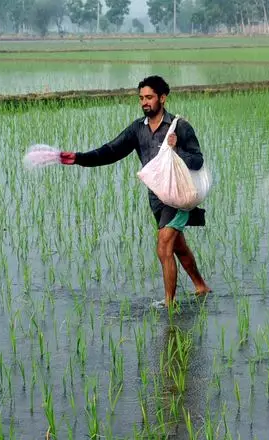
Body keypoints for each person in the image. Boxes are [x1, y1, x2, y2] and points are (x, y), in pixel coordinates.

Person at [59, 75, 211, 307]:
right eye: (141, 98)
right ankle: (201, 286)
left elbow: (198, 161)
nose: (144, 102)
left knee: (163, 245)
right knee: (177, 246)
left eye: (149, 97)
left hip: (179, 197)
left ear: (163, 98)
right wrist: (79, 158)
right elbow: (111, 151)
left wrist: (175, 150)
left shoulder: (179, 127)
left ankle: (169, 305)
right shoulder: (137, 129)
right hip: (157, 199)